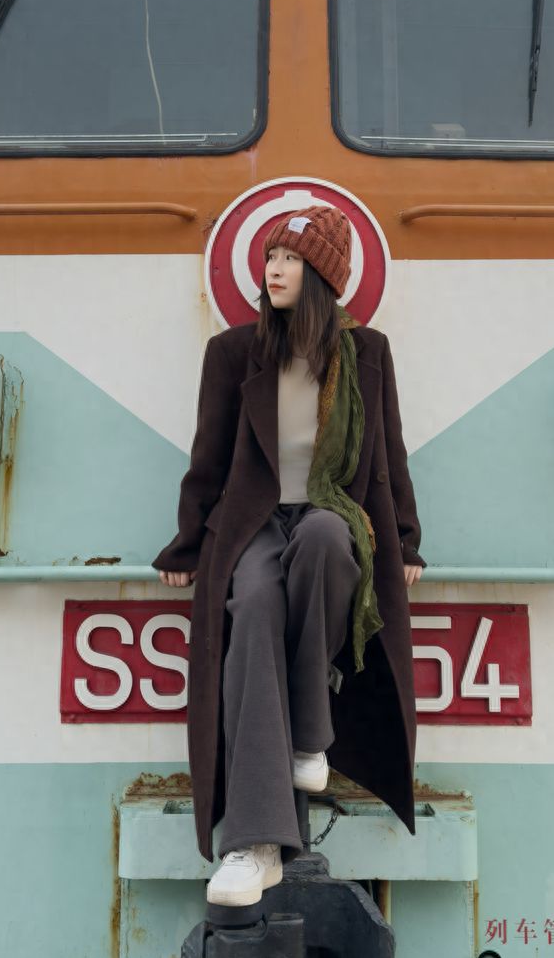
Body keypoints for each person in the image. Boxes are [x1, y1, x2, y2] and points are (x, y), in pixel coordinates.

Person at [154, 203, 425, 907]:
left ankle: (311, 733)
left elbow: (388, 456)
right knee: (254, 612)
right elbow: (208, 458)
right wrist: (187, 543)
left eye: (290, 258)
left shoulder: (369, 354)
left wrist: (403, 542)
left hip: (331, 513)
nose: (273, 268)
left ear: (323, 274)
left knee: (331, 540)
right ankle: (253, 844)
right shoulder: (234, 352)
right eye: (270, 256)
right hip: (251, 524)